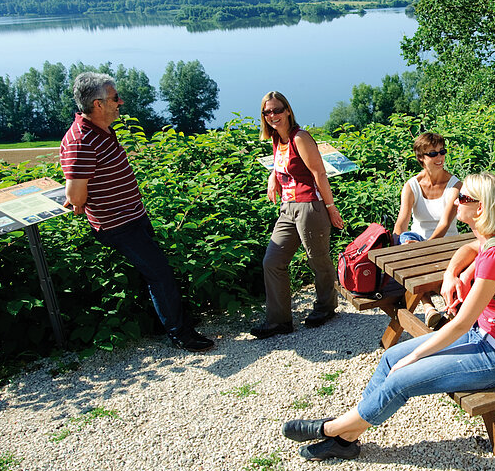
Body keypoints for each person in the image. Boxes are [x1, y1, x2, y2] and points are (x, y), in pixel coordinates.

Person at [281, 173, 495, 461]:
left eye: (463, 197)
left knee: (401, 376)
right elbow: (472, 248)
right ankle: (347, 437)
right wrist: (454, 273)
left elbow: (461, 322)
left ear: (480, 209)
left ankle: (332, 429)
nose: (455, 200)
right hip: (482, 336)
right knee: (390, 358)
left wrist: (415, 357)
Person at [60, 72, 214, 352]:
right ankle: (180, 333)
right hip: (118, 224)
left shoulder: (101, 128)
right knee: (160, 274)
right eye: (115, 98)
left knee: (154, 273)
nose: (120, 102)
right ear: (98, 104)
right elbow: (74, 195)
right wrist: (79, 200)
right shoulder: (80, 140)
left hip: (133, 216)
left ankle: (165, 322)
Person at [251, 91, 344, 338]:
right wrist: (272, 177)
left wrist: (330, 208)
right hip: (287, 208)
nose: (273, 115)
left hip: (309, 206)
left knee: (318, 259)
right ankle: (279, 320)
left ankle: (326, 307)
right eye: (267, 112)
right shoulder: (276, 139)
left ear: (288, 110)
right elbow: (283, 165)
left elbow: (319, 174)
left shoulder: (300, 137)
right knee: (272, 261)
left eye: (277, 110)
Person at [393, 132, 462, 245]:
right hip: (416, 240)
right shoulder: (411, 186)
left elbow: (444, 224)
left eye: (442, 152)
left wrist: (424, 246)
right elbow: (402, 222)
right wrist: (396, 248)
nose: (439, 157)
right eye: (433, 153)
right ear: (420, 157)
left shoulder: (455, 186)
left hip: (446, 242)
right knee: (404, 237)